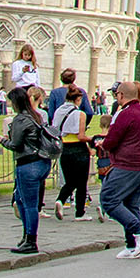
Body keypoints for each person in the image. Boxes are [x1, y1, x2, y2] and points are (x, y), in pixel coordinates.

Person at [98, 80, 140, 259]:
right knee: (132, 204)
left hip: (128, 165)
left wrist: (103, 144)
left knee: (108, 199)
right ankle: (132, 245)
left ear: (121, 95)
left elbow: (112, 139)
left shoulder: (125, 114)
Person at [2, 86, 52, 253]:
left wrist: (3, 141)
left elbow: (15, 144)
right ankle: (27, 237)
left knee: (29, 204)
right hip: (42, 162)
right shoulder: (36, 116)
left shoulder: (20, 120)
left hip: (28, 163)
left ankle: (30, 239)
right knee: (21, 199)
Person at [52, 84, 92, 220]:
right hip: (78, 149)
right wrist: (92, 139)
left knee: (70, 180)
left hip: (65, 148)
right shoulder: (80, 114)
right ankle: (80, 212)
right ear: (78, 99)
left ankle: (60, 200)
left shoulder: (59, 111)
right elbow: (81, 136)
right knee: (81, 182)